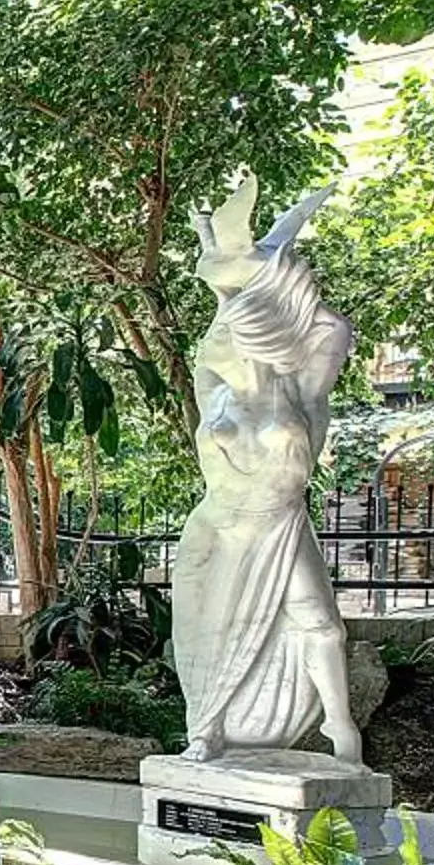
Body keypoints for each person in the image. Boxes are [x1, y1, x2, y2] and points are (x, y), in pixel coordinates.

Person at [169, 174, 361, 764]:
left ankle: (342, 730)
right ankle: (208, 727)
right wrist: (228, 280)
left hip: (278, 520)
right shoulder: (215, 393)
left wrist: (275, 279)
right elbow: (217, 333)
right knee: (211, 632)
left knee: (322, 626)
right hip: (224, 529)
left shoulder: (299, 389)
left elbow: (334, 330)